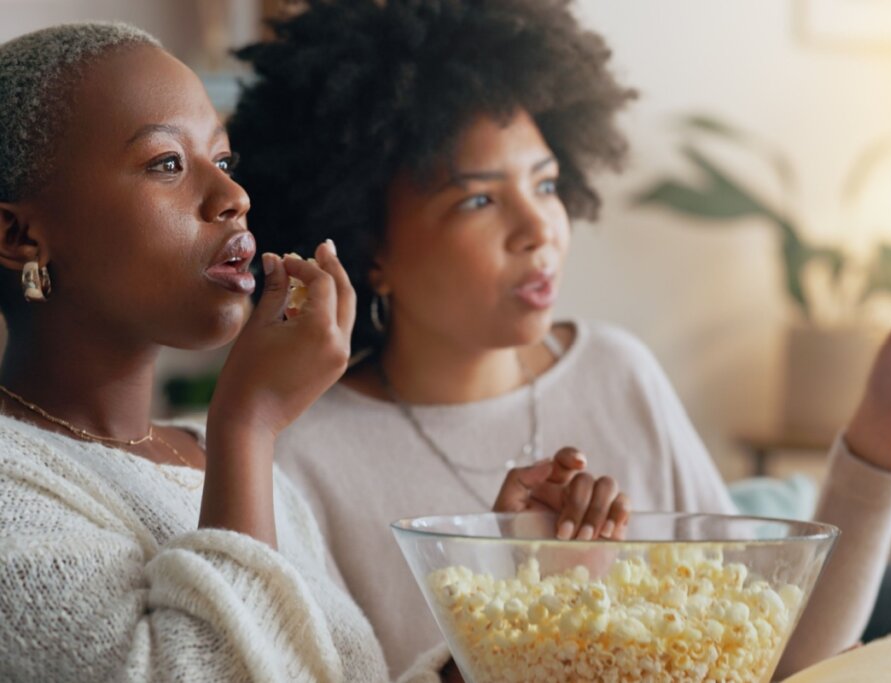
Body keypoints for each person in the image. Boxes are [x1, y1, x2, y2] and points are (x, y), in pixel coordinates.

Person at [228, 0, 891, 679]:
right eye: (477, 202)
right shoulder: (301, 455)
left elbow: (779, 658)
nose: (539, 228)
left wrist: (881, 441)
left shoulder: (617, 371)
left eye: (544, 183)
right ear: (372, 250)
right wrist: (515, 591)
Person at [0, 22, 628, 682]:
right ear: (19, 234)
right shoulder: (20, 487)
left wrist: (517, 593)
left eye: (223, 161)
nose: (233, 197)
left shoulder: (229, 466)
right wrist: (248, 424)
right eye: (166, 164)